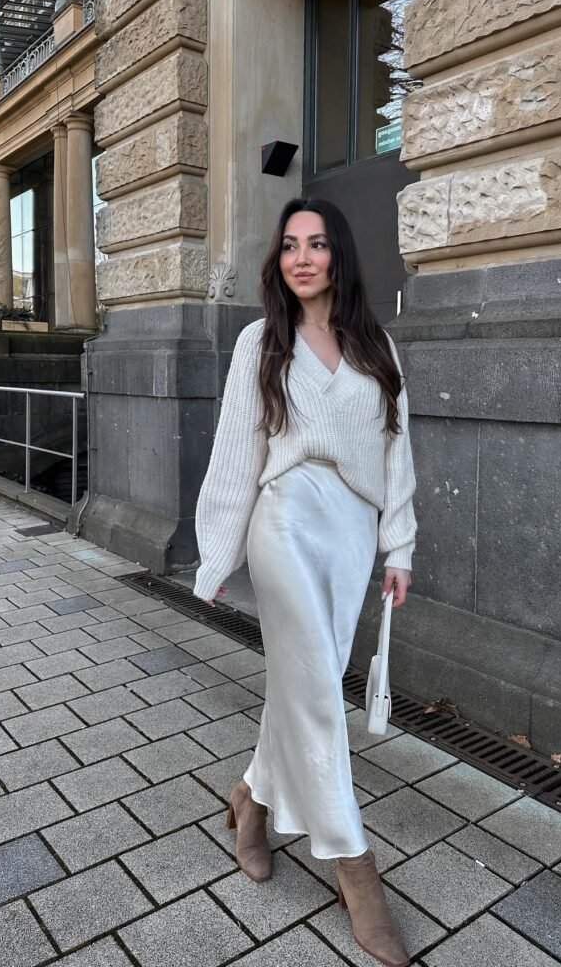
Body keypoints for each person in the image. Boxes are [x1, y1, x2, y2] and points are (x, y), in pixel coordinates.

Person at [193, 197, 417, 967]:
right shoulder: (261, 341)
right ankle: (356, 871)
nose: (301, 257)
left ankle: (250, 803)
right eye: (289, 244)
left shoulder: (374, 345)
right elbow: (236, 452)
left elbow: (396, 452)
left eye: (316, 244)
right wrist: (216, 556)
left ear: (337, 256)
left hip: (351, 533)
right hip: (284, 521)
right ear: (278, 260)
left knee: (303, 684)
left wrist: (399, 546)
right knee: (318, 694)